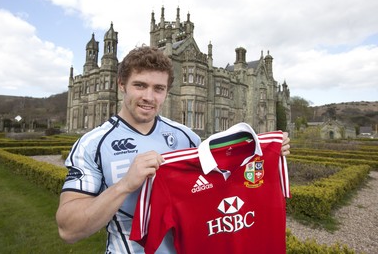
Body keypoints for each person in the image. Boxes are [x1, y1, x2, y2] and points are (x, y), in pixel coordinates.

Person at [56, 46, 291, 253]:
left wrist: (263, 153)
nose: (149, 97)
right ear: (121, 85)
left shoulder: (187, 137)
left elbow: (222, 185)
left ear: (167, 91)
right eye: (140, 85)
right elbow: (69, 229)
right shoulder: (92, 144)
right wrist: (125, 185)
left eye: (158, 88)